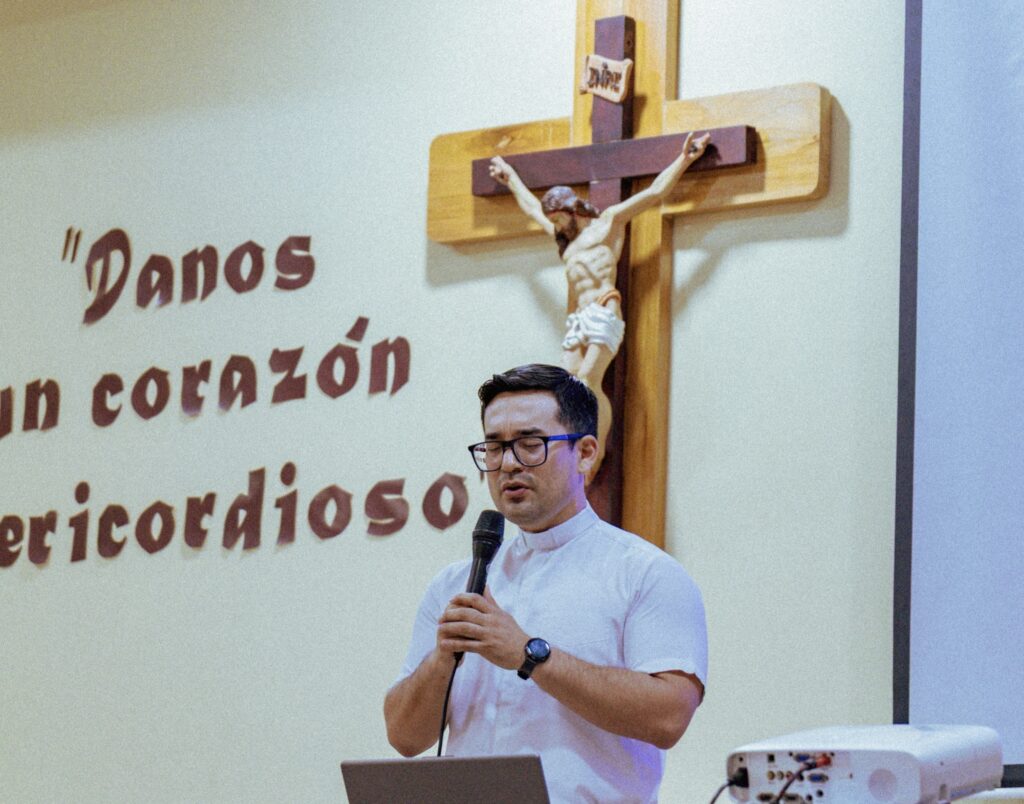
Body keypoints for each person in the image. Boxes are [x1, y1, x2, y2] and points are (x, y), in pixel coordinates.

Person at [383, 364, 708, 803]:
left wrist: (529, 654)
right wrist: (442, 658)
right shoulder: (456, 585)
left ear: (585, 453)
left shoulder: (645, 573)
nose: (508, 464)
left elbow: (668, 718)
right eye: (494, 447)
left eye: (530, 445)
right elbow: (404, 737)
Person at [487, 132, 711, 480]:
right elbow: (531, 208)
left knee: (590, 380)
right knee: (565, 387)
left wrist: (685, 159)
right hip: (579, 318)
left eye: (559, 219)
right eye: (553, 221)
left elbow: (654, 193)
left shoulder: (607, 225)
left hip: (604, 306)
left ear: (572, 210)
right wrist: (510, 178)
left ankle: (597, 448)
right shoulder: (567, 243)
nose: (556, 226)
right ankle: (571, 447)